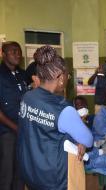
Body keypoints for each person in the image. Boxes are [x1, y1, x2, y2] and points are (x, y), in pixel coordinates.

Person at [18, 46, 93, 190]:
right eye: (67, 76)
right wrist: (79, 126)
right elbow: (88, 140)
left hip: (30, 173)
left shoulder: (27, 97)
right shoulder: (63, 108)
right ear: (60, 78)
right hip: (54, 179)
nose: (67, 79)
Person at [0, 41, 28, 190]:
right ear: (3, 54)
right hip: (6, 132)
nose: (18, 54)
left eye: (19, 51)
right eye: (13, 51)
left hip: (23, 130)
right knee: (6, 173)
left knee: (20, 173)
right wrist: (15, 128)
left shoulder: (22, 74)